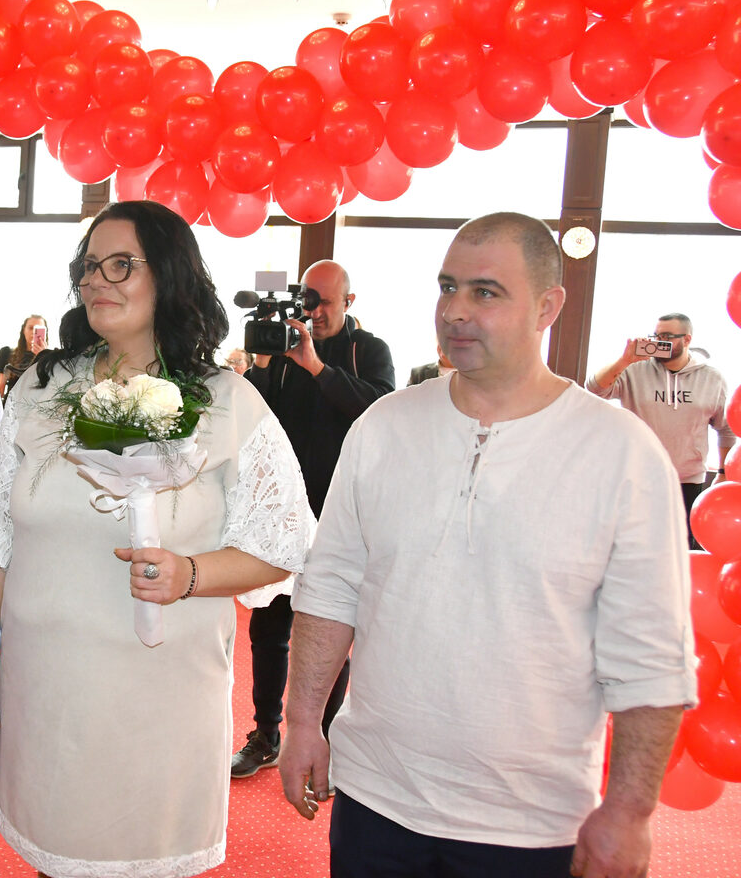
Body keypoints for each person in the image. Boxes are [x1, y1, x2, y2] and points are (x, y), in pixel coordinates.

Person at [281, 212, 696, 878]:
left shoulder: (620, 452)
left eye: (485, 292)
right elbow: (330, 586)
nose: (455, 311)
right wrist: (302, 721)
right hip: (375, 797)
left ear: (547, 307)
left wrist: (629, 809)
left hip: (530, 823)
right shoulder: (385, 426)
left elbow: (651, 652)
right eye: (447, 287)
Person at [0, 200, 313, 878]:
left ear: (169, 276)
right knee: (53, 855)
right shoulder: (41, 388)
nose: (98, 280)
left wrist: (190, 573)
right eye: (90, 266)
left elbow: (281, 543)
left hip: (158, 695)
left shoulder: (226, 399)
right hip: (47, 686)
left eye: (121, 264)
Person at [233, 259, 395, 779]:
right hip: (284, 513)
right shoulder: (282, 349)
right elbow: (256, 418)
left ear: (349, 302)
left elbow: (381, 411)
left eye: (325, 301)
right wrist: (262, 365)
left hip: (341, 514)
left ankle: (323, 736)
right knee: (269, 626)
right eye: (309, 300)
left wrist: (317, 367)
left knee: (331, 629)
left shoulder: (368, 350)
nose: (315, 311)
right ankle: (265, 734)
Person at [586, 313, 735, 548]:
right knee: (633, 545)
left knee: (679, 548)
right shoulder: (634, 370)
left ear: (686, 339)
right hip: (639, 476)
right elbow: (595, 389)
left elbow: (725, 429)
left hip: (687, 480)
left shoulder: (712, 378)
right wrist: (624, 361)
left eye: (666, 336)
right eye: (656, 335)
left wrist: (723, 472)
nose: (658, 341)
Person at [0, 314, 47, 401]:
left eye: (38, 329)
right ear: (23, 330)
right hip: (10, 405)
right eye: (30, 328)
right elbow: (0, 388)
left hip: (35, 406)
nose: (34, 332)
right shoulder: (6, 352)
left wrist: (43, 356)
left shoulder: (50, 358)